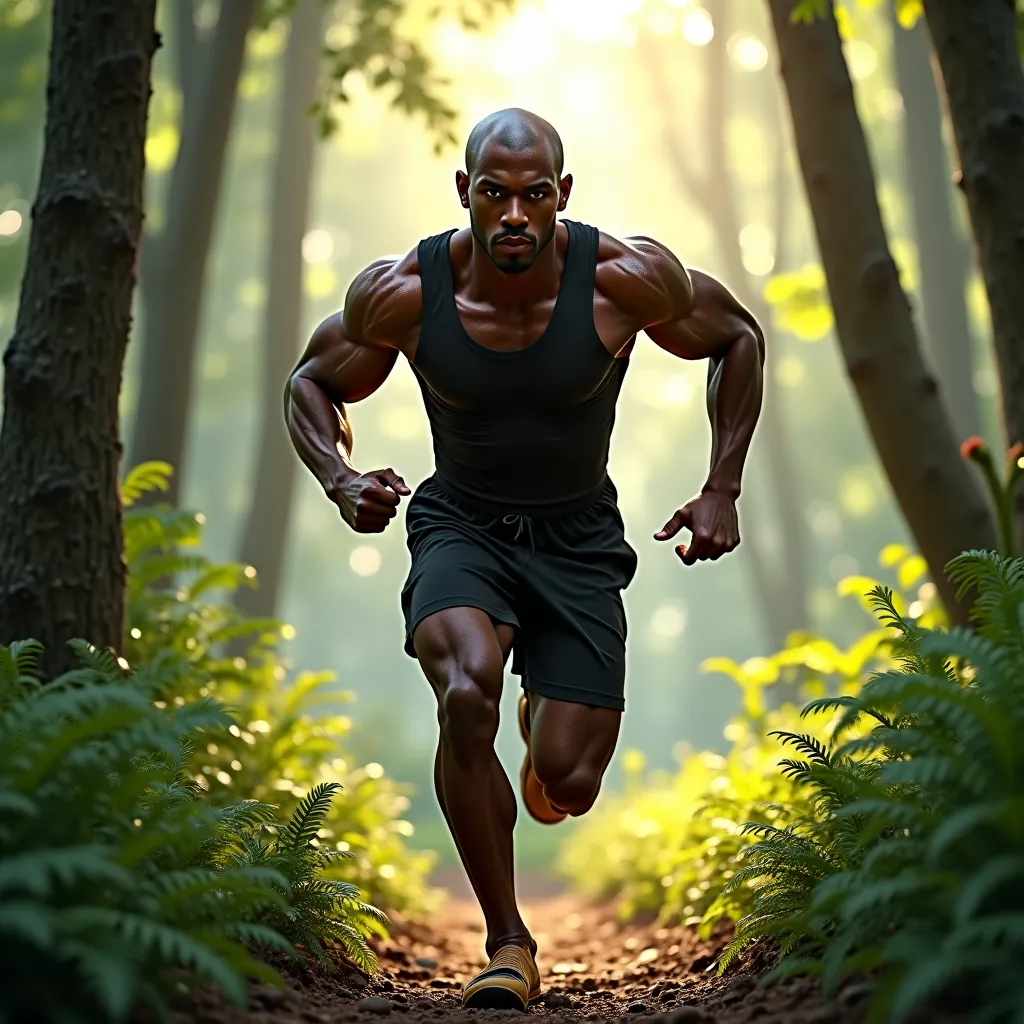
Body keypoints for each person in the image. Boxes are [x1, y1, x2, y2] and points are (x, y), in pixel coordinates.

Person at [285, 108, 764, 1011]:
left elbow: (737, 336)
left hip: (579, 540)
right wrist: (340, 478)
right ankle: (508, 941)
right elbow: (308, 382)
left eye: (533, 195)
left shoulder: (625, 280)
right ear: (465, 193)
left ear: (562, 196)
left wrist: (722, 487)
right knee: (466, 687)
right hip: (461, 526)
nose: (513, 215)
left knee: (568, 784)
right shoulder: (402, 293)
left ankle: (548, 711)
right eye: (494, 195)